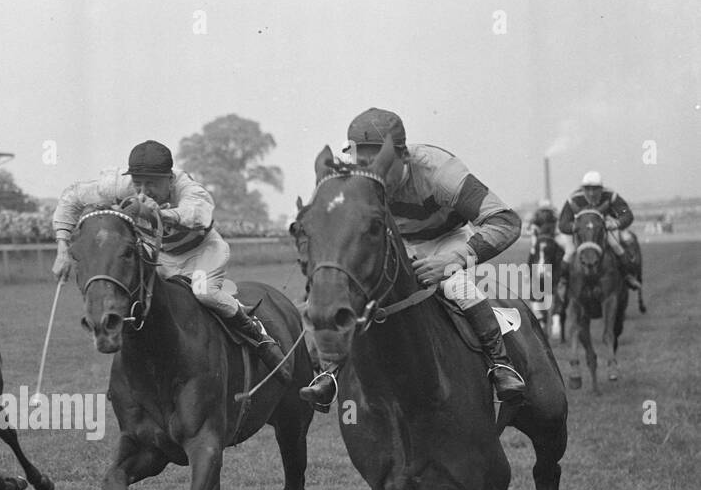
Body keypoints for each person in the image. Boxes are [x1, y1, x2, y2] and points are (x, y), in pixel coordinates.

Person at [300, 108, 526, 410]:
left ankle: (500, 364)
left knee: (458, 286)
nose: (372, 172)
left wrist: (452, 261)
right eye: (361, 162)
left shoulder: (441, 172)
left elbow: (505, 221)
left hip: (444, 239)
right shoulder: (351, 176)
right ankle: (331, 373)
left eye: (379, 163)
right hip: (394, 243)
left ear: (403, 156)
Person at [51, 140, 291, 378]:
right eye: (138, 183)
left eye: (152, 184)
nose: (143, 191)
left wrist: (157, 213)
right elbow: (71, 197)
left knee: (204, 292)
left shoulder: (190, 189)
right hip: (161, 256)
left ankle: (257, 333)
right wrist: (63, 248)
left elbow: (197, 215)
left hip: (201, 254)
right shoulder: (118, 184)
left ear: (170, 179)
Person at [557, 171, 644, 309]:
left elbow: (627, 215)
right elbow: (562, 223)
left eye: (595, 189)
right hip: (582, 231)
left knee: (619, 244)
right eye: (588, 189)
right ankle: (563, 281)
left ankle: (627, 275)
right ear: (582, 189)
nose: (591, 193)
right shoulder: (574, 198)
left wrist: (616, 223)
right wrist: (576, 227)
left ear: (601, 188)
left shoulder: (611, 196)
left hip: (604, 227)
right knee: (570, 251)